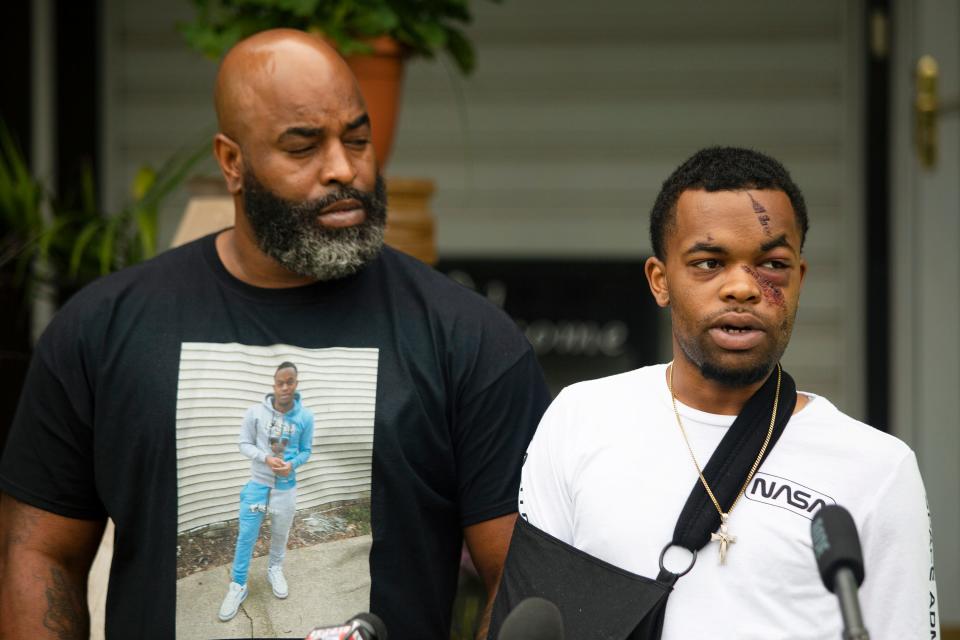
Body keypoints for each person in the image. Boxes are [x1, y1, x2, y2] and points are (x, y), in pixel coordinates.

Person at [0, 29, 550, 639]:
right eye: (303, 147)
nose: (344, 168)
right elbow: (41, 553)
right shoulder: (102, 330)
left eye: (359, 139)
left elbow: (522, 575)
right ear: (232, 162)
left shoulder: (470, 341)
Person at [507, 147, 938, 638]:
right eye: (709, 263)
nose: (742, 287)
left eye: (772, 264)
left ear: (799, 279)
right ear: (660, 281)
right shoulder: (579, 418)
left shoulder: (878, 467)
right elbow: (530, 612)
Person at [219, 361, 314, 621]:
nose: (285, 387)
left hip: (286, 489)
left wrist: (291, 464)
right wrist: (265, 458)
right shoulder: (254, 413)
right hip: (257, 486)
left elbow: (307, 451)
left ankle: (275, 568)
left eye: (290, 382)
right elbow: (243, 443)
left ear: (296, 384)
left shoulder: (306, 417)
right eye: (280, 382)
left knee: (280, 534)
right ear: (274, 385)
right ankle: (238, 585)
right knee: (246, 536)